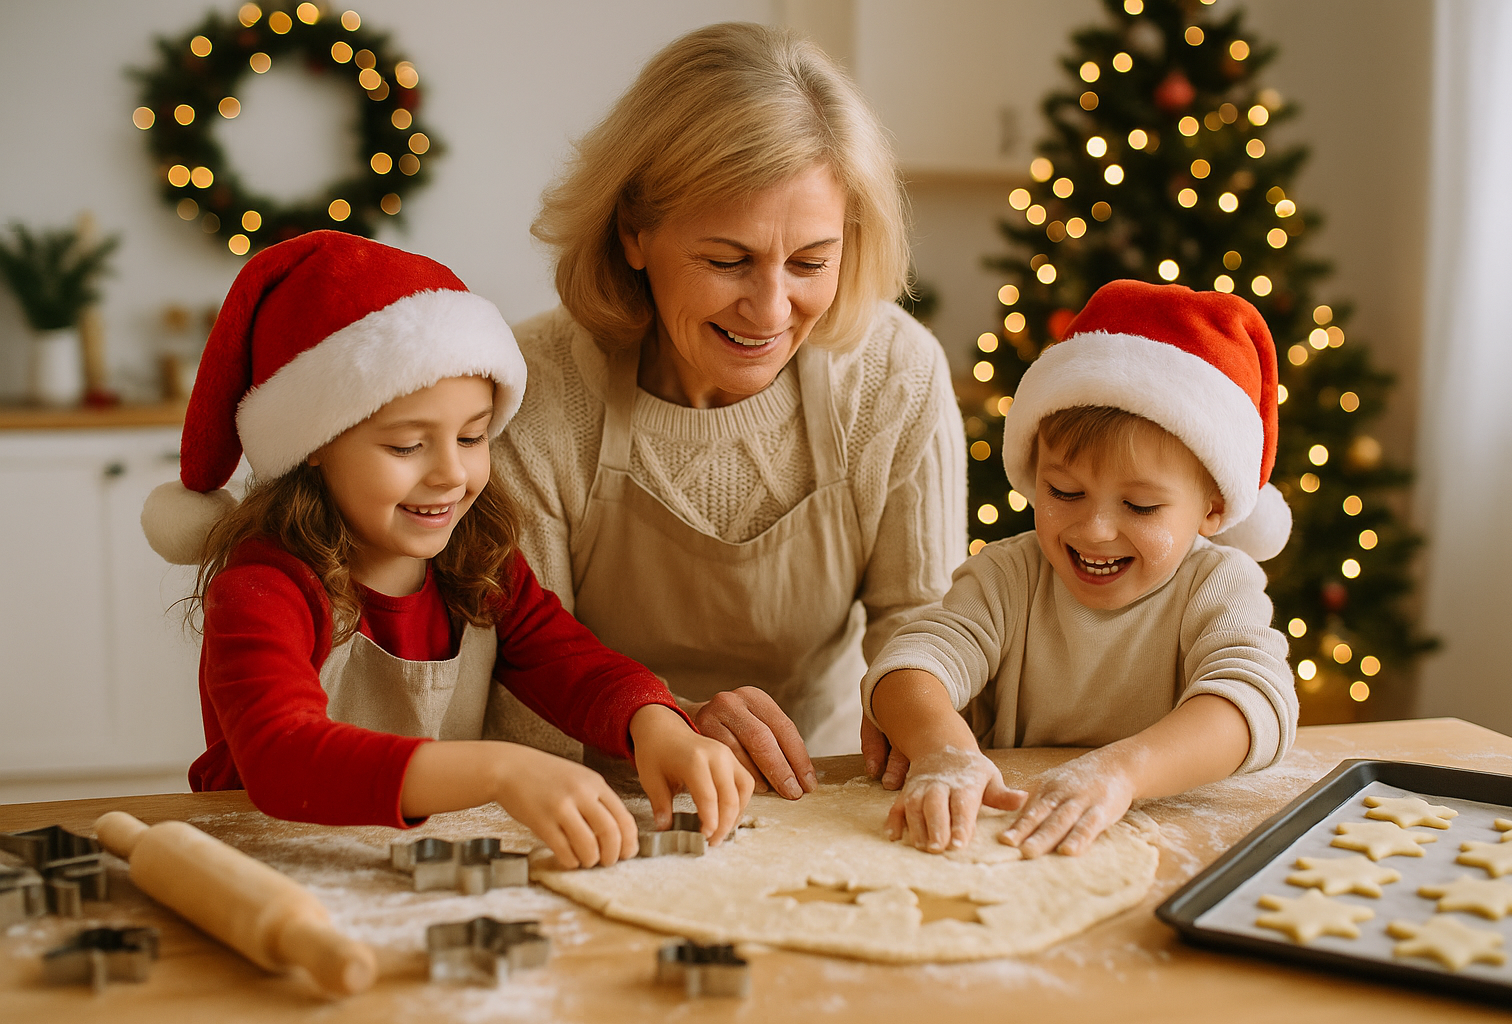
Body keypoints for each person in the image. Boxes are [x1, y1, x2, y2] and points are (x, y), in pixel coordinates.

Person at [140, 231, 751, 869]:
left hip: (414, 868)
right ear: (314, 442)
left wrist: (655, 723)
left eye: (472, 437)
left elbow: (573, 664)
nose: (451, 475)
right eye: (407, 445)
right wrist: (501, 770)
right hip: (265, 868)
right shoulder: (263, 588)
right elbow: (281, 757)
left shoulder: (476, 562)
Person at [490, 22, 967, 798]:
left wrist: (941, 748)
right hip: (598, 805)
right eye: (727, 260)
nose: (771, 310)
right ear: (633, 231)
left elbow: (924, 630)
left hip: (823, 791)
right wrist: (672, 725)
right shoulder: (536, 392)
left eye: (810, 262)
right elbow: (529, 698)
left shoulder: (892, 375)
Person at [863, 280, 1298, 858]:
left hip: (1171, 846)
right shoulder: (1009, 578)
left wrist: (1123, 772)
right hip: (1009, 837)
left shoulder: (1218, 584)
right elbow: (910, 663)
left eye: (1140, 506)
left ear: (1212, 509)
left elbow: (1254, 701)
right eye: (1064, 492)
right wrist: (945, 750)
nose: (1094, 530)